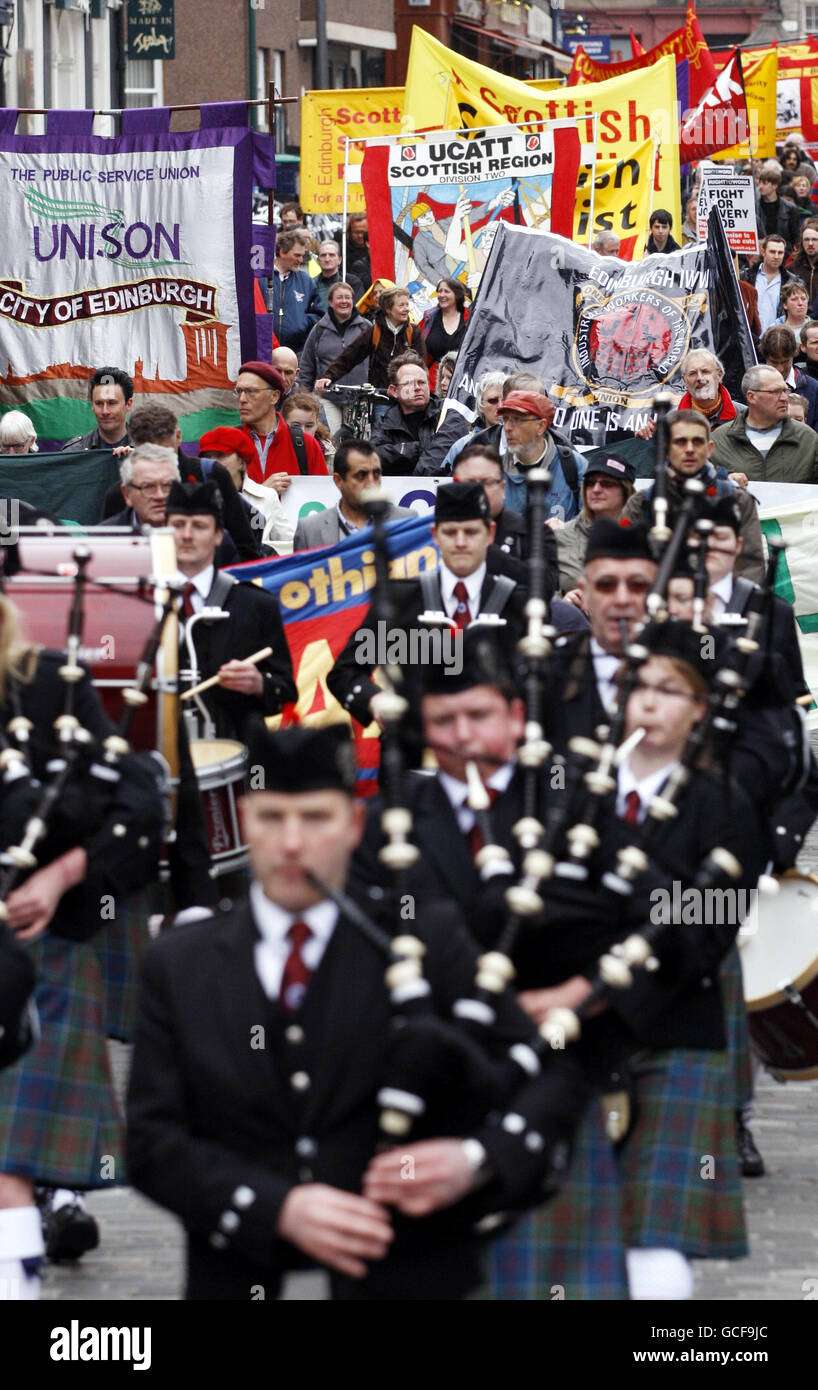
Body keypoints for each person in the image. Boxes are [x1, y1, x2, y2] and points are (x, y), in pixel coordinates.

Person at [126, 721, 589, 1301]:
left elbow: (552, 1072)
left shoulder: (425, 940)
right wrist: (275, 1208)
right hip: (241, 1278)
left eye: (316, 818)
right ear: (245, 822)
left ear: (355, 825)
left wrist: (476, 1159)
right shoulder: (180, 963)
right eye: (272, 818)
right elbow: (151, 1142)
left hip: (408, 1279)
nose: (292, 843)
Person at [0, 593, 164, 1298]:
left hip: (39, 948)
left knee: (5, 1161)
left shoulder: (46, 684)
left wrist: (63, 876)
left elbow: (137, 800)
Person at [328, 481, 527, 754]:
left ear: (490, 534)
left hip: (493, 758)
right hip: (413, 757)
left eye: (470, 532)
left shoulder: (516, 605)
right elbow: (345, 673)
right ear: (435, 535)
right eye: (450, 532)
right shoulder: (401, 603)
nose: (460, 542)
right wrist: (374, 700)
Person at [166, 481, 296, 743]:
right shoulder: (142, 604)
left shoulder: (256, 605)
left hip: (235, 756)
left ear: (217, 535)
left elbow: (286, 690)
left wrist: (260, 684)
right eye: (178, 525)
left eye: (199, 526)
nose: (187, 535)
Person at [624, 411, 764, 582]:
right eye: (680, 442)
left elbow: (751, 567)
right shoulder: (642, 502)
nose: (689, 449)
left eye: (697, 442)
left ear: (709, 449)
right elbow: (623, 563)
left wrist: (736, 606)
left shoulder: (737, 501)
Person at [292, 439, 413, 551]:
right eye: (361, 475)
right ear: (338, 480)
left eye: (376, 474)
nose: (371, 483)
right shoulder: (309, 530)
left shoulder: (406, 521)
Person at [711, 365, 818, 482]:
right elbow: (703, 489)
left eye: (785, 391)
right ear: (751, 396)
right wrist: (724, 483)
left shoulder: (808, 438)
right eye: (775, 392)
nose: (784, 398)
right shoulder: (719, 441)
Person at [197, 426, 293, 556]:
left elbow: (289, 545)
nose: (213, 463)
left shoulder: (267, 496)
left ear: (241, 461)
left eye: (221, 455)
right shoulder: (195, 497)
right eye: (208, 457)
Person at [369, 353, 469, 477]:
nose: (417, 388)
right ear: (394, 391)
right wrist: (418, 448)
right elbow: (372, 459)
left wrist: (403, 467)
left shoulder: (448, 413)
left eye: (422, 382)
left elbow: (434, 464)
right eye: (409, 384)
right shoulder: (386, 423)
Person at [553, 451, 635, 599]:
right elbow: (538, 593)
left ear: (626, 490)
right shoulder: (560, 536)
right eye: (590, 482)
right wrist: (562, 604)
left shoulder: (643, 538)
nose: (596, 489)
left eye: (607, 483)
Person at [234, 361, 328, 490]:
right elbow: (218, 505)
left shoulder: (305, 444)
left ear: (274, 396)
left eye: (251, 391)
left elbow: (321, 500)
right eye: (239, 391)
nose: (242, 399)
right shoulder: (228, 444)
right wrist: (263, 492)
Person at [496, 390, 587, 520]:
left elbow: (591, 527)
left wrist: (565, 532)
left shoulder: (574, 466)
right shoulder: (495, 471)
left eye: (517, 419)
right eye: (505, 419)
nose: (507, 428)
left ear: (541, 426)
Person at [315, 286, 419, 394]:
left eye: (407, 304)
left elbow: (421, 365)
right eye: (401, 305)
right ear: (388, 309)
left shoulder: (413, 332)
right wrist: (329, 376)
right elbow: (350, 356)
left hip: (409, 395)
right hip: (383, 398)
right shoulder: (374, 332)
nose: (406, 308)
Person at [297, 283, 370, 404]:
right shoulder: (319, 330)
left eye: (348, 297)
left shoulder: (366, 328)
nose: (344, 301)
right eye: (339, 297)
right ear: (330, 302)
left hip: (360, 400)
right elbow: (306, 367)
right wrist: (304, 398)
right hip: (327, 399)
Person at [263, 231, 322, 354]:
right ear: (282, 252)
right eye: (297, 255)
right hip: (263, 349)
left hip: (297, 351)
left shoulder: (306, 281)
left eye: (302, 255)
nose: (301, 260)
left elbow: (319, 313)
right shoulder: (261, 277)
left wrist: (302, 324)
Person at [758, 324, 818, 428]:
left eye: (785, 362)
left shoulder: (813, 388)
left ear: (793, 356)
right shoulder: (754, 386)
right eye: (774, 362)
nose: (780, 368)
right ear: (765, 358)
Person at [62, 366, 133, 451]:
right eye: (99, 403)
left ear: (128, 404)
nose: (105, 411)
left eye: (112, 403)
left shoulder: (147, 450)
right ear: (92, 405)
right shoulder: (73, 452)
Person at [421, 278, 470, 386]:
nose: (442, 295)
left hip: (461, 383)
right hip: (431, 384)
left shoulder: (470, 320)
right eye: (439, 291)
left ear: (457, 294)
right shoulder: (429, 318)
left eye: (446, 291)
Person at [743, 234, 794, 333]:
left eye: (780, 253)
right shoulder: (745, 277)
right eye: (772, 252)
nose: (776, 256)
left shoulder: (792, 281)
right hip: (749, 338)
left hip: (777, 339)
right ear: (763, 252)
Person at [755, 166, 801, 255]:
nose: (760, 186)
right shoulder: (755, 207)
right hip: (762, 253)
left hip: (784, 253)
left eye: (764, 183)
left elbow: (795, 237)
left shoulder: (790, 208)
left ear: (775, 185)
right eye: (759, 183)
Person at [312, 241, 363, 311]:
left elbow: (357, 308)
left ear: (339, 260)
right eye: (323, 255)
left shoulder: (352, 282)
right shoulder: (311, 284)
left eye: (331, 255)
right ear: (318, 260)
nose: (327, 259)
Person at [335, 212, 372, 290]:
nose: (360, 236)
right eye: (356, 232)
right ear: (350, 231)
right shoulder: (341, 249)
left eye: (363, 232)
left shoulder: (375, 250)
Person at [788, 219, 818, 305]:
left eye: (815, 239)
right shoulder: (792, 269)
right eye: (806, 240)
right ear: (802, 242)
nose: (810, 243)